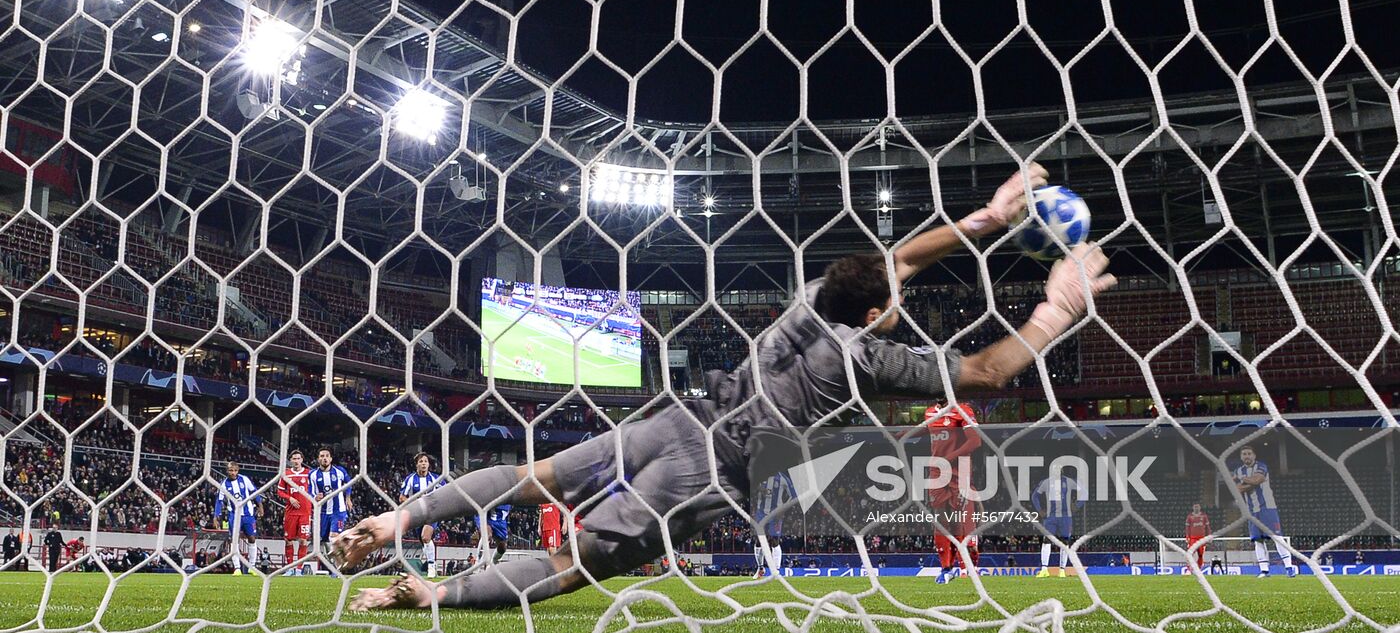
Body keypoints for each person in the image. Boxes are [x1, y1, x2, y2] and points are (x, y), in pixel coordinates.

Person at [334, 163, 1117, 611]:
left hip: (675, 419)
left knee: (535, 476)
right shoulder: (870, 359)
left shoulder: (814, 298)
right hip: (709, 472)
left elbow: (898, 262)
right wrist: (1057, 308)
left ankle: (398, 515)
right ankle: (436, 595)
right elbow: (984, 371)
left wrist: (985, 219)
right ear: (877, 313)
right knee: (574, 565)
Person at [924, 402, 982, 583]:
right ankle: (946, 569)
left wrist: (950, 457)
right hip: (937, 471)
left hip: (959, 471)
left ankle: (968, 567)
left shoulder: (963, 410)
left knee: (961, 522)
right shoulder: (929, 413)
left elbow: (975, 441)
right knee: (941, 520)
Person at [1233, 445, 1295, 578]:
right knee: (1258, 540)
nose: (1247, 456)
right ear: (1241, 456)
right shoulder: (1239, 470)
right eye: (1244, 454)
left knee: (1277, 537)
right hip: (1251, 511)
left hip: (1267, 507)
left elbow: (1257, 479)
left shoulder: (1261, 466)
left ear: (1254, 455)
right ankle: (1264, 570)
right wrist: (1249, 483)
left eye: (1249, 453)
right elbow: (1237, 489)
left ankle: (1289, 568)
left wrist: (1243, 480)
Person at [1031, 471, 1086, 578]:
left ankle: (1062, 571)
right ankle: (1044, 570)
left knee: (1065, 543)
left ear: (1062, 471)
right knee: (1046, 541)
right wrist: (1039, 510)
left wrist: (1077, 505)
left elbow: (1084, 492)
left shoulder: (1069, 481)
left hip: (1065, 516)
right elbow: (1034, 496)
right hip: (1051, 516)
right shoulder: (1046, 482)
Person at [214, 461, 263, 575]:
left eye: (235, 470)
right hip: (234, 515)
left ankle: (252, 566)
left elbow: (254, 491)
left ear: (238, 470)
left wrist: (260, 506)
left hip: (248, 514)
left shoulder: (244, 479)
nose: (233, 473)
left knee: (252, 538)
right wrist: (216, 517)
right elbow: (219, 501)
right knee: (234, 540)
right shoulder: (223, 484)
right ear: (227, 471)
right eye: (231, 470)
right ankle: (237, 568)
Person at [309, 447, 353, 573]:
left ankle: (338, 568)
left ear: (331, 458)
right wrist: (314, 497)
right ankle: (334, 566)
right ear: (318, 459)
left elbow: (348, 483)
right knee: (323, 541)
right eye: (322, 456)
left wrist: (348, 498)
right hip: (322, 512)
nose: (324, 458)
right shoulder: (312, 474)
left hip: (338, 511)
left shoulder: (339, 471)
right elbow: (309, 490)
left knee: (333, 537)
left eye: (327, 455)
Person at [399, 453, 443, 577]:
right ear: (416, 464)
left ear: (429, 464)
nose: (423, 463)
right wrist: (414, 501)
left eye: (425, 461)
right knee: (423, 541)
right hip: (417, 514)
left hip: (432, 512)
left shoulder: (436, 479)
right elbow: (402, 497)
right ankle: (429, 562)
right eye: (421, 461)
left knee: (426, 537)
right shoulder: (410, 479)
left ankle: (431, 567)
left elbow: (446, 492)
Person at [751, 470, 794, 579]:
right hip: (761, 513)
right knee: (758, 541)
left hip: (775, 513)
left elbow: (793, 495)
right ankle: (760, 568)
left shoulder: (783, 478)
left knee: (774, 541)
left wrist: (783, 509)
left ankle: (776, 571)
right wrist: (757, 489)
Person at [276, 450, 313, 576]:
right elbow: (280, 492)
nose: (296, 461)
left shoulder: (309, 474)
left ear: (302, 460)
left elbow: (316, 488)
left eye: (298, 458)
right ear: (290, 460)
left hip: (305, 513)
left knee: (303, 541)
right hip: (290, 513)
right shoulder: (286, 474)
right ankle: (290, 568)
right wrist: (289, 498)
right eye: (294, 458)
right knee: (288, 540)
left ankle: (298, 569)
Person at [1184, 503, 1212, 571]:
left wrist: (1209, 536)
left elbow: (1207, 527)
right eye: (1195, 507)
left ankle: (1199, 568)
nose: (1196, 508)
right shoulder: (1189, 517)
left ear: (1200, 508)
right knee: (1190, 553)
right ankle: (1188, 569)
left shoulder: (1204, 516)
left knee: (1200, 554)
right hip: (1193, 538)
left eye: (1197, 507)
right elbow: (1187, 528)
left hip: (1201, 538)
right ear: (1193, 508)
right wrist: (1187, 537)